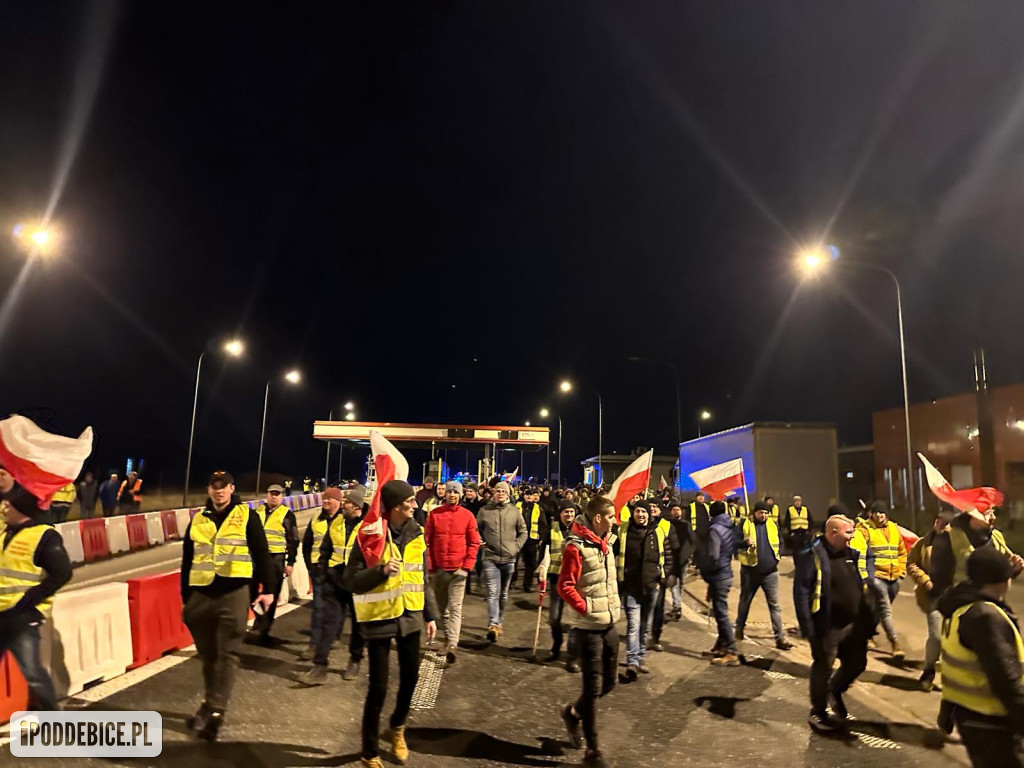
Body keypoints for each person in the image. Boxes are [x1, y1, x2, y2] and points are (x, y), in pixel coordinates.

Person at [344, 480, 438, 768]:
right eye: (410, 501)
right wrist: (381, 572)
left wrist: (430, 614)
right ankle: (369, 751)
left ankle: (397, 726)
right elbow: (351, 581)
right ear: (397, 506)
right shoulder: (369, 534)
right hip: (380, 617)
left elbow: (422, 577)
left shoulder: (417, 534)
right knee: (379, 688)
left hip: (410, 616)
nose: (415, 505)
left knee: (410, 680)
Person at [180, 471, 274, 741]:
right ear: (208, 489)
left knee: (228, 654)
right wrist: (186, 597)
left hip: (234, 593)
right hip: (200, 596)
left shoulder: (247, 516)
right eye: (214, 487)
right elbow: (187, 559)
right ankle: (210, 702)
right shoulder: (198, 518)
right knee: (208, 656)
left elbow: (261, 553)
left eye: (224, 487)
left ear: (232, 488)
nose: (219, 491)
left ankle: (217, 711)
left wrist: (267, 590)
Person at [937, 546, 1024, 767]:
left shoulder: (959, 606)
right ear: (1004, 581)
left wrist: (946, 712)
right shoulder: (985, 617)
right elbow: (1006, 681)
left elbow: (954, 666)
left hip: (970, 718)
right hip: (993, 722)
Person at [794, 509, 874, 732]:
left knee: (858, 663)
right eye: (848, 532)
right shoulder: (812, 554)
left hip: (852, 624)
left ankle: (835, 691)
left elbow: (860, 585)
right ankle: (818, 710)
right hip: (826, 626)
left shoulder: (851, 553)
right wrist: (807, 628)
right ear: (833, 533)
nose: (852, 536)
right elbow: (801, 593)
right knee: (823, 666)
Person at [0, 476, 72, 711]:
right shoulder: (4, 533)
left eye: (9, 505)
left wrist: (28, 602)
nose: (4, 507)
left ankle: (51, 718)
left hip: (22, 618)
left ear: (22, 508)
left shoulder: (44, 536)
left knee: (33, 674)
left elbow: (62, 574)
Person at [559, 495, 620, 767]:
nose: (614, 520)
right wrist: (585, 609)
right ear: (598, 518)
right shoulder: (576, 547)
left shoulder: (607, 543)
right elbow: (565, 585)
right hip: (588, 629)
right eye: (610, 516)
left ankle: (572, 713)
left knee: (609, 683)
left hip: (609, 624)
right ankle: (593, 751)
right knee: (592, 689)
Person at [301, 484, 366, 684]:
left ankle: (355, 660)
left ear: (356, 506)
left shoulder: (369, 527)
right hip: (335, 581)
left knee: (359, 626)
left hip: (358, 583)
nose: (343, 505)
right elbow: (325, 549)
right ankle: (319, 666)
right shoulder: (337, 522)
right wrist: (324, 571)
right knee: (329, 623)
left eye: (347, 502)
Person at [424, 480, 480, 666]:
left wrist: (466, 567)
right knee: (442, 610)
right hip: (439, 570)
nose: (452, 495)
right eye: (450, 492)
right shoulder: (434, 515)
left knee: (455, 609)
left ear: (460, 495)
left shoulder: (468, 516)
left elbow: (474, 543)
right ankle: (447, 639)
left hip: (458, 571)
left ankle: (453, 646)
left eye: (456, 492)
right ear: (445, 494)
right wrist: (431, 567)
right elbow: (428, 542)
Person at [615, 500, 664, 681]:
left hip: (652, 587)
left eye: (644, 512)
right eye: (637, 512)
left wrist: (661, 579)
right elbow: (612, 550)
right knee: (633, 626)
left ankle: (640, 656)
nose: (641, 515)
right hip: (630, 587)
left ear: (649, 514)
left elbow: (664, 556)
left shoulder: (657, 531)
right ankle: (632, 661)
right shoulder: (623, 530)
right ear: (633, 514)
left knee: (645, 626)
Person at [930, 506, 1024, 599]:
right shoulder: (948, 537)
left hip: (992, 602)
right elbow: (939, 579)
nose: (993, 517)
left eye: (993, 512)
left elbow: (999, 576)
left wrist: (1013, 569)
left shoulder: (996, 536)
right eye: (987, 513)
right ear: (973, 514)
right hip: (961, 603)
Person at [735, 501, 792, 650]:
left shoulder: (772, 525)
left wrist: (777, 557)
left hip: (770, 573)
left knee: (775, 606)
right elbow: (733, 542)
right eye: (761, 513)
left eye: (766, 513)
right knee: (745, 601)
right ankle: (739, 629)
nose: (764, 515)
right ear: (755, 513)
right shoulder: (745, 524)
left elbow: (780, 542)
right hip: (750, 571)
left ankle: (780, 638)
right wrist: (744, 542)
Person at [907, 510, 954, 691]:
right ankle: (929, 670)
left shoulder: (959, 544)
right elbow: (912, 564)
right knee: (936, 636)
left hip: (955, 597)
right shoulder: (924, 542)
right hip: (934, 597)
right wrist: (925, 580)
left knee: (954, 639)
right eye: (938, 521)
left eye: (945, 522)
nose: (940, 525)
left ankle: (953, 677)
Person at [856, 501, 907, 661]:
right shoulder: (865, 529)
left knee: (878, 610)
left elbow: (902, 551)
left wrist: (902, 570)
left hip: (894, 577)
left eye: (882, 512)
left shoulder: (893, 528)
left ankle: (866, 635)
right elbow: (859, 552)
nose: (879, 515)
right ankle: (895, 643)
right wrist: (866, 576)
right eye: (876, 512)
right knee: (885, 609)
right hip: (877, 577)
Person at [477, 481, 526, 642]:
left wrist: (515, 547)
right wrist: (480, 541)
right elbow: (476, 530)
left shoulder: (514, 511)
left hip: (509, 559)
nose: (500, 494)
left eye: (503, 492)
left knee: (503, 593)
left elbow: (523, 532)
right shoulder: (484, 511)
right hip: (490, 557)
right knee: (492, 593)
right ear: (493, 493)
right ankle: (493, 624)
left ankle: (500, 621)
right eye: (497, 491)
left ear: (508, 494)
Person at [250, 483, 298, 644]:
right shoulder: (257, 512)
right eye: (272, 493)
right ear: (267, 494)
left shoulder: (287, 515)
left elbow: (293, 540)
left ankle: (265, 631)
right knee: (250, 591)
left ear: (282, 496)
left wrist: (290, 562)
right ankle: (259, 615)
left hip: (275, 559)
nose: (274, 496)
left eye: (277, 494)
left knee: (272, 594)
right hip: (255, 558)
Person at [539, 498, 581, 671]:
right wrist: (541, 573)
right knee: (554, 618)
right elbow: (544, 554)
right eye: (566, 512)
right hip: (557, 580)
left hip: (574, 582)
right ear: (560, 514)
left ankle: (573, 656)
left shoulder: (580, 531)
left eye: (571, 512)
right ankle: (556, 647)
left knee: (574, 621)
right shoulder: (552, 530)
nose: (569, 515)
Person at [299, 485, 339, 663]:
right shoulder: (316, 519)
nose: (325, 501)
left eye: (329, 498)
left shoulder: (345, 519)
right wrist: (310, 565)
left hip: (339, 570)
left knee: (337, 608)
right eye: (324, 498)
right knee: (318, 607)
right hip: (319, 570)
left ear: (338, 501)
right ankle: (314, 645)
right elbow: (307, 544)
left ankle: (334, 636)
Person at [698, 500, 740, 666]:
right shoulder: (728, 526)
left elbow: (713, 556)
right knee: (719, 611)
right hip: (726, 573)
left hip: (719, 575)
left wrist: (706, 570)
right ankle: (721, 646)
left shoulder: (714, 529)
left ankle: (732, 651)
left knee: (721, 614)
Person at [648, 503, 679, 652]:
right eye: (650, 506)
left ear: (661, 510)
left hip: (660, 576)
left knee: (658, 608)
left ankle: (655, 637)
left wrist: (670, 573)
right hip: (643, 576)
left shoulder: (667, 526)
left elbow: (674, 552)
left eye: (656, 506)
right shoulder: (639, 524)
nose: (653, 508)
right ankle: (639, 638)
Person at [663, 502, 692, 622]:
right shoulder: (668, 525)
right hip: (672, 558)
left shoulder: (686, 525)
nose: (676, 511)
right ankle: (677, 606)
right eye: (674, 509)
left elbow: (692, 541)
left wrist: (686, 555)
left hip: (683, 559)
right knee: (674, 583)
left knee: (681, 583)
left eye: (678, 509)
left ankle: (678, 605)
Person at [516, 487, 549, 593]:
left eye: (531, 494)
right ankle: (512, 580)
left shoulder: (538, 508)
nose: (529, 496)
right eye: (527, 494)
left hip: (531, 539)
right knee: (513, 561)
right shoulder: (517, 506)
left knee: (530, 563)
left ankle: (527, 584)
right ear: (523, 496)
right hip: (517, 538)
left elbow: (543, 524)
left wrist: (541, 537)